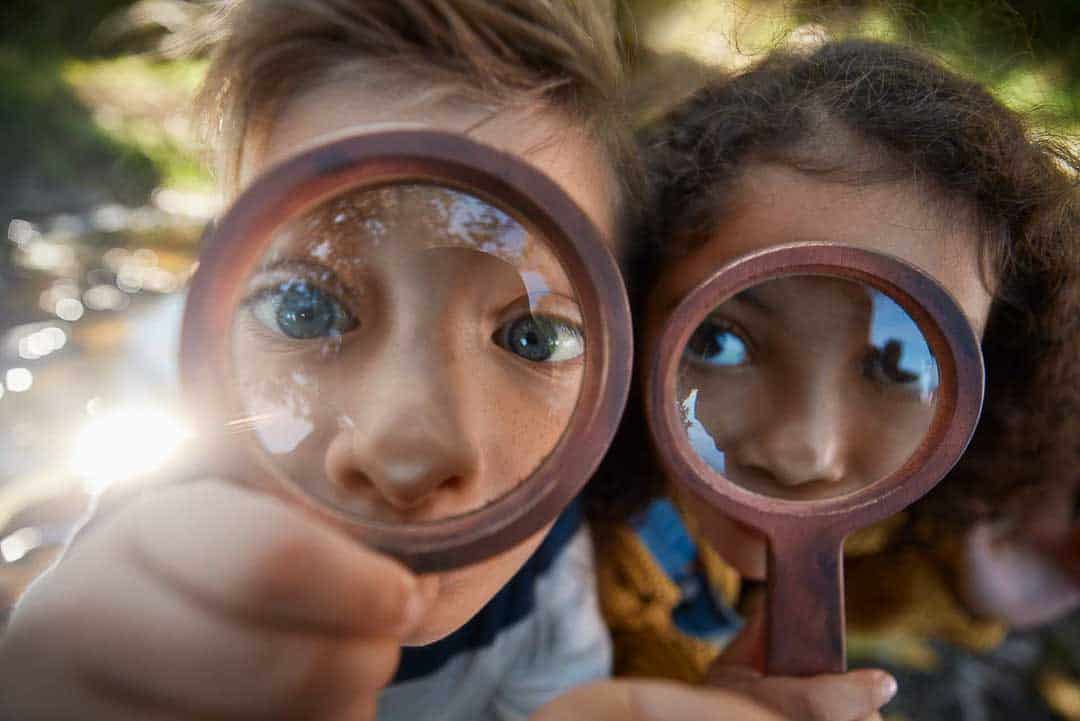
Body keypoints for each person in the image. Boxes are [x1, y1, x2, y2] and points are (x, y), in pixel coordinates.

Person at [0, 2, 648, 719]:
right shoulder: (143, 557)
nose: (406, 456)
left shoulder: (553, 574)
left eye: (535, 338)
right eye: (303, 310)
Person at [589, 37, 1079, 720]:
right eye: (717, 341)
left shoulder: (890, 521)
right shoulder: (545, 579)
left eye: (895, 364)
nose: (805, 453)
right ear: (630, 298)